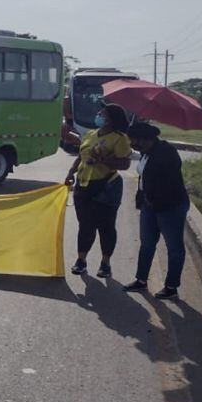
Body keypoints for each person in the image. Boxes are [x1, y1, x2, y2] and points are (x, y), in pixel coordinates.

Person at [123, 123, 190, 299]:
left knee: (174, 247)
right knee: (147, 244)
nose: (132, 144)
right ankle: (141, 280)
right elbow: (144, 177)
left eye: (134, 140)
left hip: (170, 207)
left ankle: (171, 287)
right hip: (150, 206)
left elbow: (168, 180)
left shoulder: (167, 153)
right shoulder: (146, 152)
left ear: (146, 139)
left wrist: (153, 198)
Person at [64, 103, 132, 277]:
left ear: (111, 119)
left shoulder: (119, 138)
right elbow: (81, 156)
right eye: (100, 112)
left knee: (106, 226)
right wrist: (71, 173)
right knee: (85, 225)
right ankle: (81, 260)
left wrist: (102, 160)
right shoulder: (91, 134)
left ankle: (105, 263)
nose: (99, 115)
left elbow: (125, 164)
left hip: (106, 186)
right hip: (84, 185)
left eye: (103, 113)